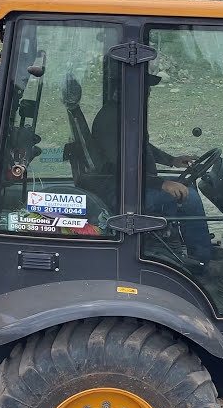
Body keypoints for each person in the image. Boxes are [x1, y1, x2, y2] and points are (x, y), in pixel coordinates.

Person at [89, 67, 213, 264]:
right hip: (120, 193)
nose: (148, 95)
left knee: (187, 186)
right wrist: (161, 184)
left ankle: (196, 248)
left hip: (134, 185)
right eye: (144, 90)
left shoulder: (124, 114)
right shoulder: (110, 120)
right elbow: (119, 168)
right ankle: (204, 260)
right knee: (190, 199)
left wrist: (172, 160)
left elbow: (142, 147)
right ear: (128, 90)